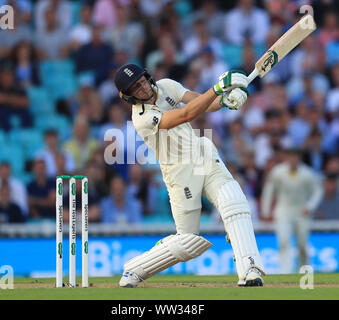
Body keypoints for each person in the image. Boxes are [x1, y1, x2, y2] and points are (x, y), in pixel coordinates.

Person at [113, 63, 265, 287]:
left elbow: (201, 103)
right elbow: (185, 115)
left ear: (148, 77)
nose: (143, 88)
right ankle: (135, 269)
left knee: (235, 202)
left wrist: (224, 100)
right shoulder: (142, 118)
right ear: (129, 97)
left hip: (201, 153)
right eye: (136, 87)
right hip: (179, 173)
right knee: (187, 241)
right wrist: (219, 88)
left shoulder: (166, 86)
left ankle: (250, 267)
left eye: (142, 81)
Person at [261, 147, 323, 274]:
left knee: (302, 244)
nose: (293, 160)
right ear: (286, 158)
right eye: (290, 157)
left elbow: (318, 191)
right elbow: (269, 191)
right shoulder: (277, 172)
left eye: (295, 157)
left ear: (299, 158)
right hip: (283, 210)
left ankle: (304, 271)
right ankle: (285, 271)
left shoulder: (307, 173)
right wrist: (266, 211)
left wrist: (310, 206)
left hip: (301, 211)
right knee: (283, 240)